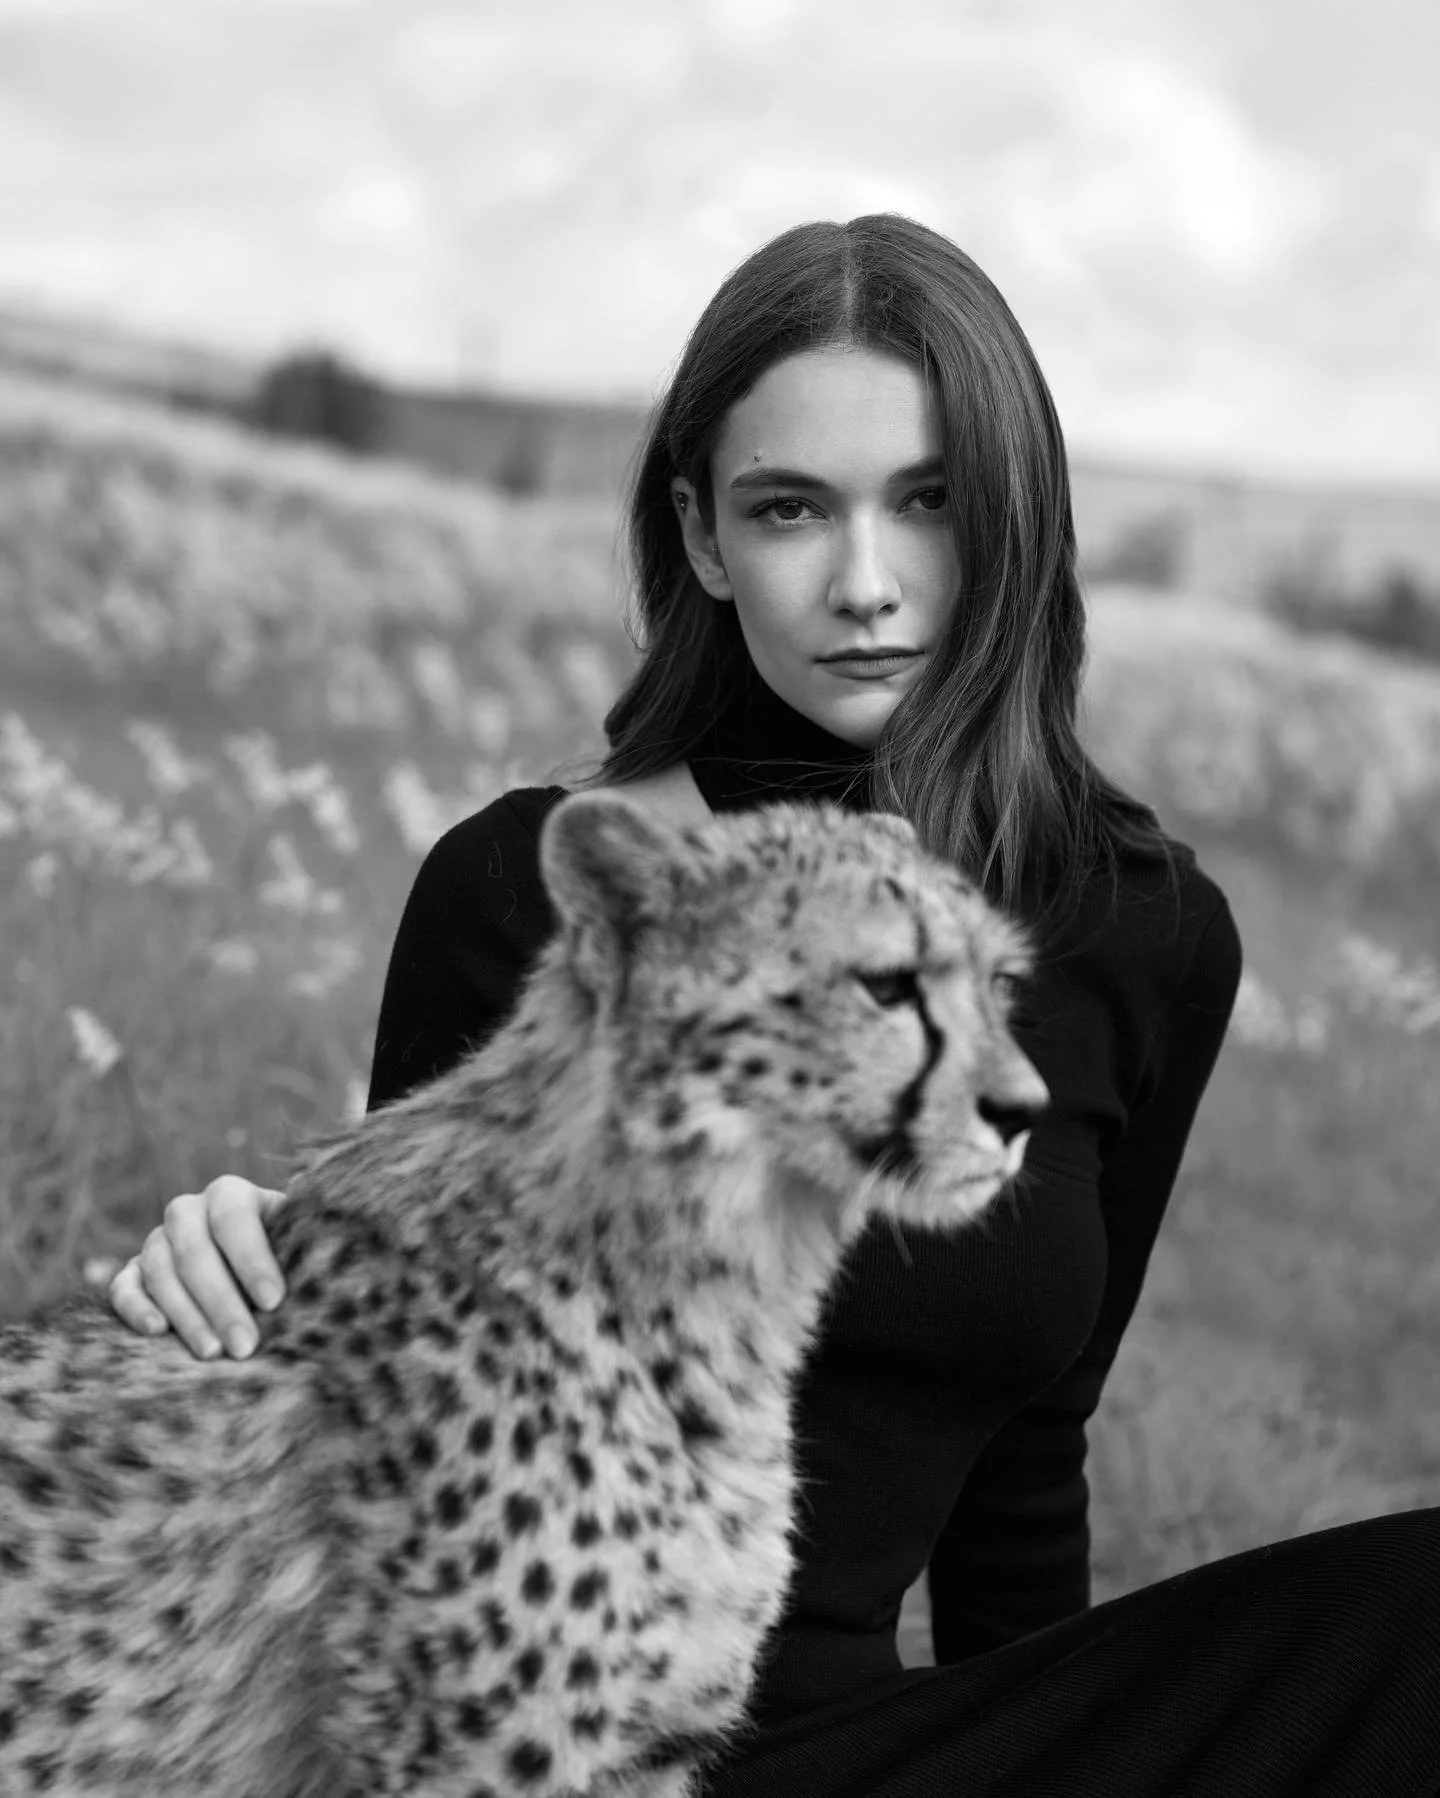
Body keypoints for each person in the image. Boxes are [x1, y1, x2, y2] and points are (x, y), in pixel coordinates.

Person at [108, 214, 1439, 1796]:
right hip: (553, 1741)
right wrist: (218, 1283)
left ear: (1016, 517)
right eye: (793, 507)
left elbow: (1025, 1470)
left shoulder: (1146, 934)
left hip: (889, 1749)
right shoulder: (533, 894)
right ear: (704, 532)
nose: (867, 583)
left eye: (930, 502)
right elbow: (382, 1423)